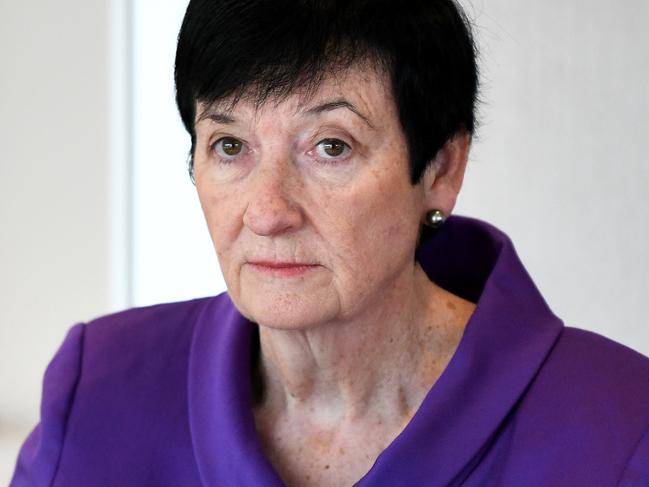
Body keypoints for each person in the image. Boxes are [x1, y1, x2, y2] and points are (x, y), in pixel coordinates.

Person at [11, 0, 649, 485]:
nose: (267, 212)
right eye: (230, 146)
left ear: (442, 169)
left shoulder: (621, 427)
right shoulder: (97, 393)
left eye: (331, 147)